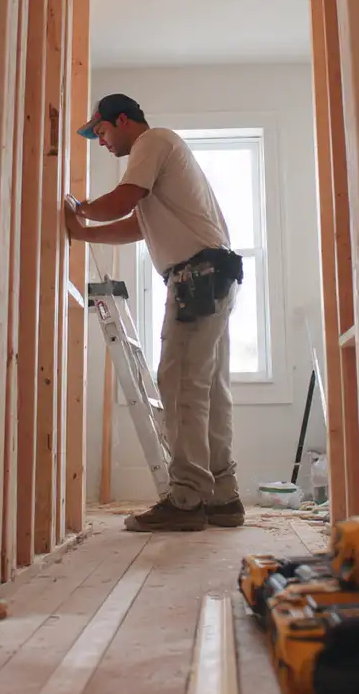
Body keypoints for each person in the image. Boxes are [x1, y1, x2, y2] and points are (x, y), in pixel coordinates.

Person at [64, 92, 245, 533]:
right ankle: (223, 498)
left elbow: (124, 201)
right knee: (208, 391)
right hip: (217, 275)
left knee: (181, 385)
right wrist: (84, 232)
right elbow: (133, 225)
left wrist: (77, 209)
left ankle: (186, 500)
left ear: (123, 120)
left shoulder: (153, 142)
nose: (102, 142)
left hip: (198, 278)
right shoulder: (163, 161)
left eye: (102, 132)